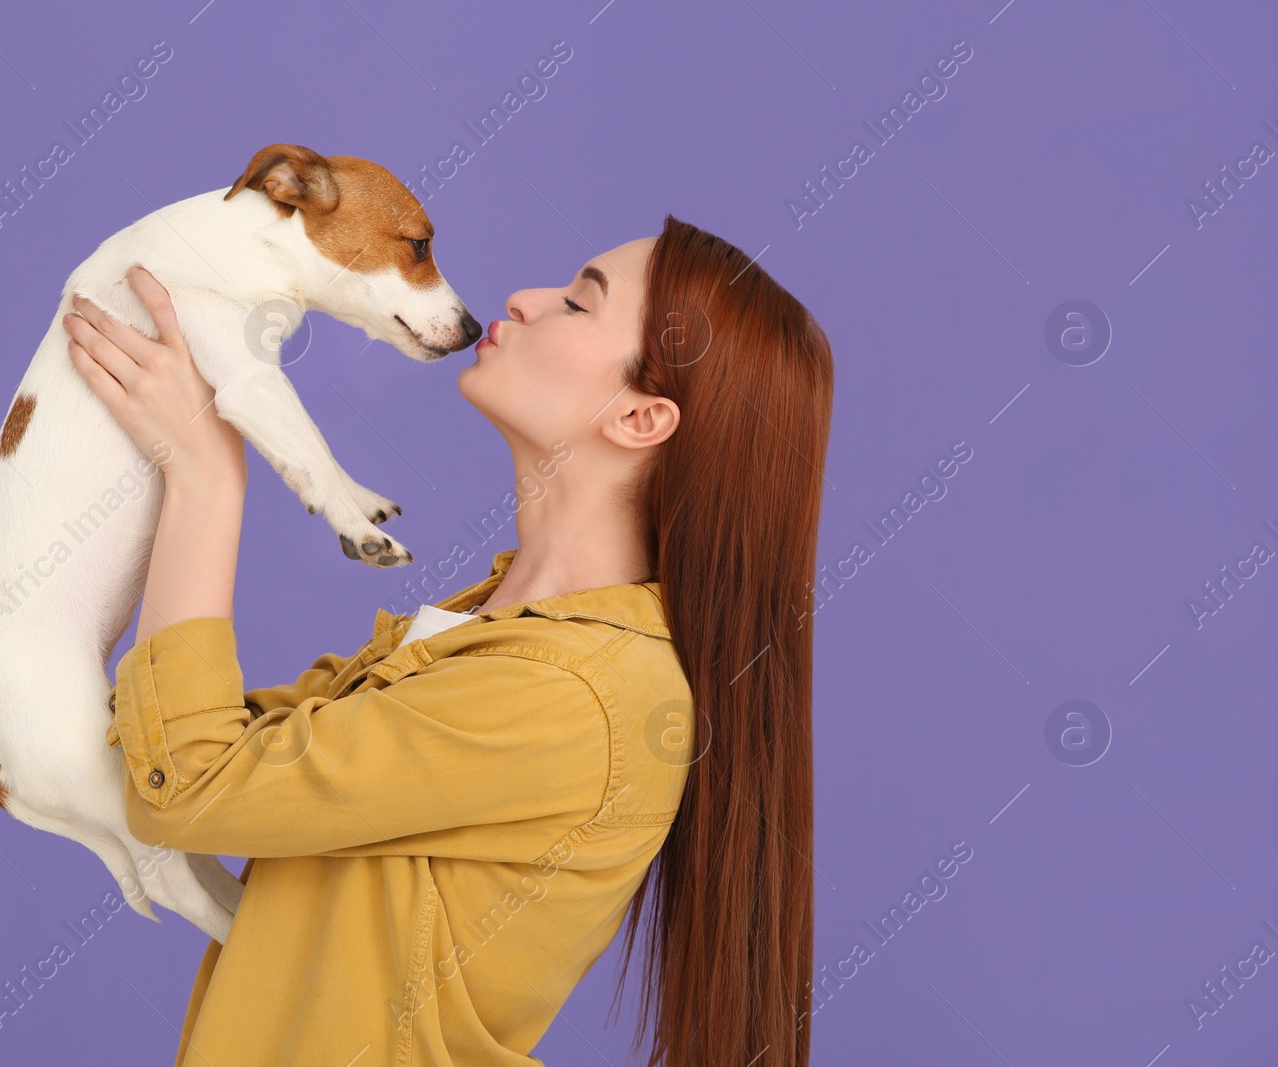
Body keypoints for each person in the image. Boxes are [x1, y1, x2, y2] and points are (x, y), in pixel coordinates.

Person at [63, 213, 833, 1067]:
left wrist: (203, 474)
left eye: (580, 303)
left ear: (643, 417)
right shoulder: (489, 632)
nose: (526, 299)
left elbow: (193, 784)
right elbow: (170, 746)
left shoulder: (577, 695)